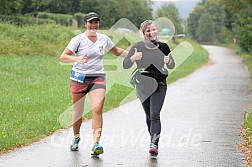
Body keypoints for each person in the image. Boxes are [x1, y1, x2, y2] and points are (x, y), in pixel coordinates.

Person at [59, 12, 127, 156]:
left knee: (97, 108)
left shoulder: (104, 39)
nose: (94, 25)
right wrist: (76, 59)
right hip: (79, 78)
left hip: (97, 77)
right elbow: (63, 57)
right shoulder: (78, 40)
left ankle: (96, 143)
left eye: (96, 22)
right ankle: (76, 137)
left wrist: (133, 55)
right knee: (78, 111)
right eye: (91, 22)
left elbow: (117, 51)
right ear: (85, 24)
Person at [123, 20, 175, 157]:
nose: (151, 33)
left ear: (156, 30)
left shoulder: (164, 47)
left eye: (153, 30)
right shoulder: (137, 47)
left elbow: (171, 64)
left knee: (154, 114)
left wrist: (168, 61)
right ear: (143, 33)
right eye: (148, 31)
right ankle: (153, 139)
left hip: (160, 85)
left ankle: (154, 144)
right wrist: (133, 58)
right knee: (148, 117)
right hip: (143, 86)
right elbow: (125, 65)